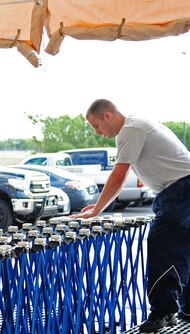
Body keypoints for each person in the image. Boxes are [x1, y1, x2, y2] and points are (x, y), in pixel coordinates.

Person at [71, 99, 190, 332]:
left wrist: (97, 209)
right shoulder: (137, 126)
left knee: (161, 246)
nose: (97, 132)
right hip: (182, 189)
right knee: (183, 248)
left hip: (180, 190)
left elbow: (119, 175)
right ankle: (186, 309)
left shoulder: (130, 129)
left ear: (107, 115)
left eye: (96, 125)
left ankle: (163, 312)